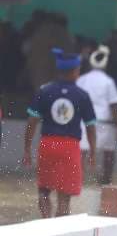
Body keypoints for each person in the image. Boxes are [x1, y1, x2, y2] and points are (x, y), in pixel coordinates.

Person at [23, 48, 96, 218]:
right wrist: (92, 151)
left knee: (44, 190)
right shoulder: (82, 95)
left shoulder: (45, 91)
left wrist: (27, 148)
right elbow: (90, 127)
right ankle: (58, 229)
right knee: (64, 197)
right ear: (74, 71)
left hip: (48, 143)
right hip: (70, 146)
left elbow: (31, 122)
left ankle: (46, 222)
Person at [77, 45, 117, 185]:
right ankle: (105, 182)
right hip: (104, 122)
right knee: (108, 153)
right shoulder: (108, 82)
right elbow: (114, 105)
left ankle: (77, 180)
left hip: (85, 120)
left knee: (81, 153)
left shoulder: (82, 79)